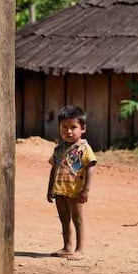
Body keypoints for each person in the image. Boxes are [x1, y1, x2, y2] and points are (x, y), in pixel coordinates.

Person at [46, 105, 97, 260]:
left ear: (83, 128)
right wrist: (49, 189)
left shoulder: (84, 148)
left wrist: (86, 191)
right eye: (64, 127)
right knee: (64, 219)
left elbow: (90, 168)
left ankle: (80, 250)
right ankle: (67, 247)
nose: (68, 131)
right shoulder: (58, 149)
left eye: (73, 127)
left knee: (77, 219)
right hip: (60, 190)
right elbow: (53, 169)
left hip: (75, 191)